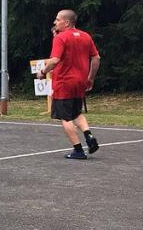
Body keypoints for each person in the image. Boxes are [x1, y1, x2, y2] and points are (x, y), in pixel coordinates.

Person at [40, 9, 101, 160]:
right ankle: (89, 136)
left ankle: (78, 150)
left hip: (64, 82)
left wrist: (42, 71)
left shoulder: (61, 38)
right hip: (80, 81)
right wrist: (91, 78)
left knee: (65, 117)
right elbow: (96, 58)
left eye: (57, 19)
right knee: (76, 113)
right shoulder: (85, 36)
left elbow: (54, 60)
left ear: (66, 22)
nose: (55, 22)